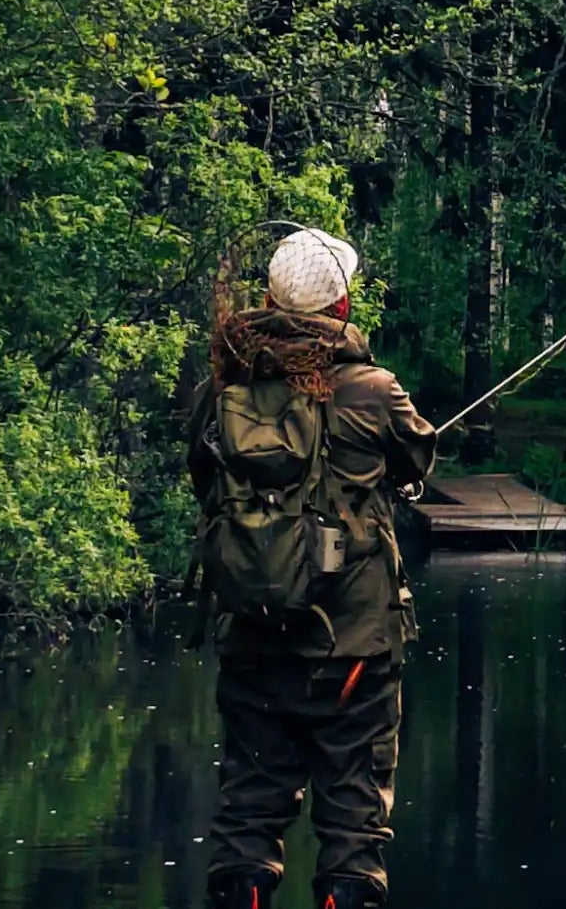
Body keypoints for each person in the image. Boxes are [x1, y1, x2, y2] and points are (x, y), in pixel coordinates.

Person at [187, 228, 437, 909]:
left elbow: (203, 484)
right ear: (343, 310)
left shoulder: (218, 393)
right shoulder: (374, 392)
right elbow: (417, 462)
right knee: (354, 822)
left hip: (251, 637)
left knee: (248, 814)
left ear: (267, 299)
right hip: (352, 647)